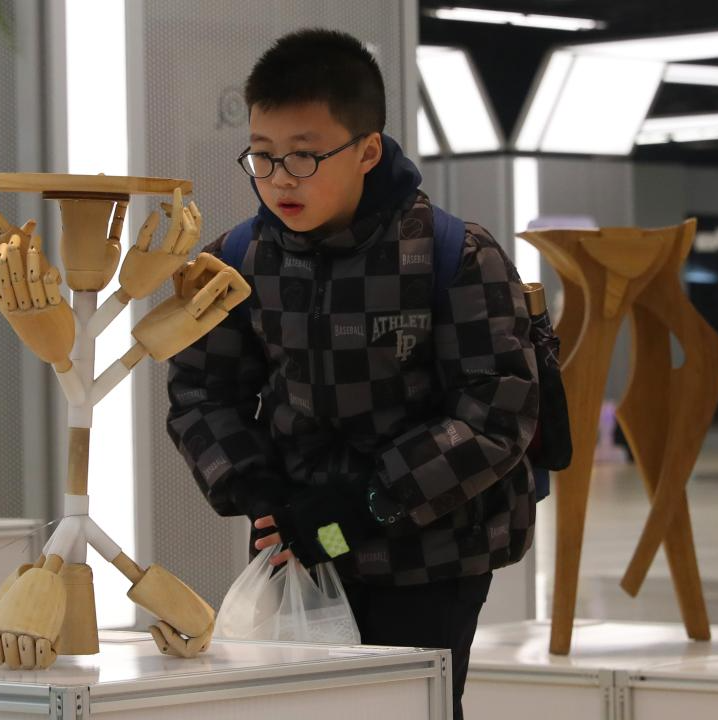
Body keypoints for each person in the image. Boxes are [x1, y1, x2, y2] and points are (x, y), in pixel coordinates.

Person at [167, 28, 538, 719]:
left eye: (304, 156)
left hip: (430, 552)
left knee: (409, 709)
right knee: (301, 709)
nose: (280, 178)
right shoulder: (239, 259)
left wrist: (368, 498)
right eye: (262, 155)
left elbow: (495, 415)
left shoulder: (455, 255)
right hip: (302, 545)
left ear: (367, 150)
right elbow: (199, 391)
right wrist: (255, 488)